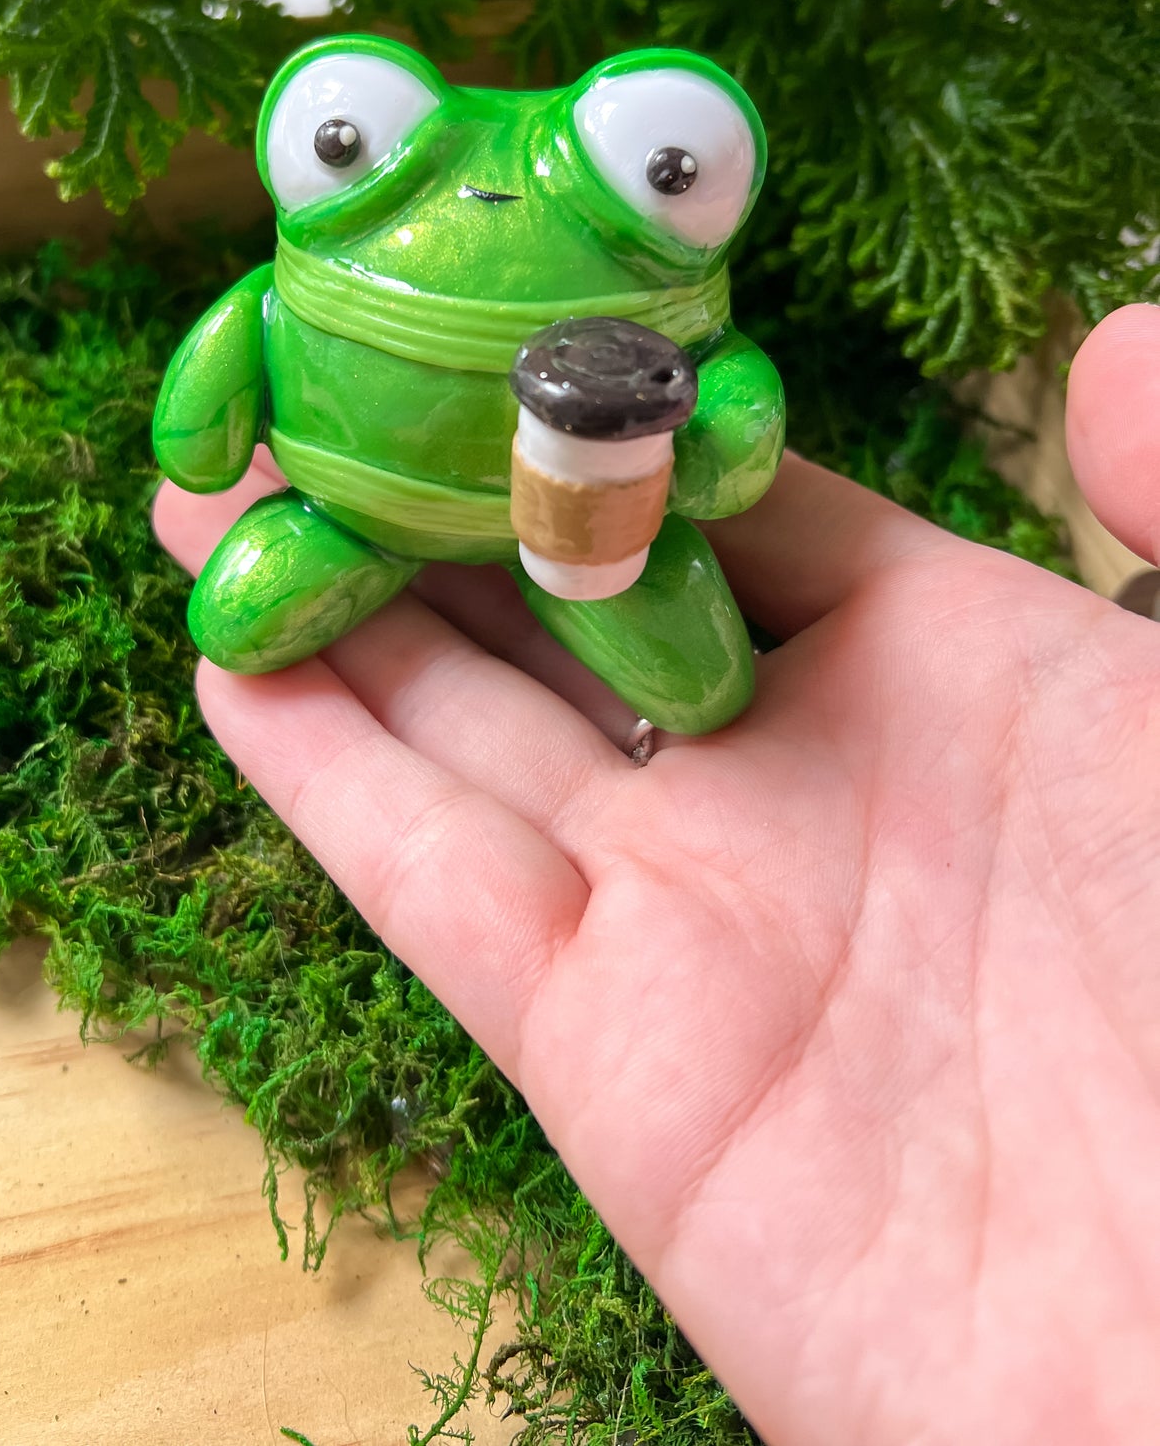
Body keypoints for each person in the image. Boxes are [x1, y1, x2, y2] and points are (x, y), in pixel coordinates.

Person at [153, 303, 1160, 1446]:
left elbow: (728, 436)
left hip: (614, 564)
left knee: (668, 645)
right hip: (357, 505)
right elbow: (209, 416)